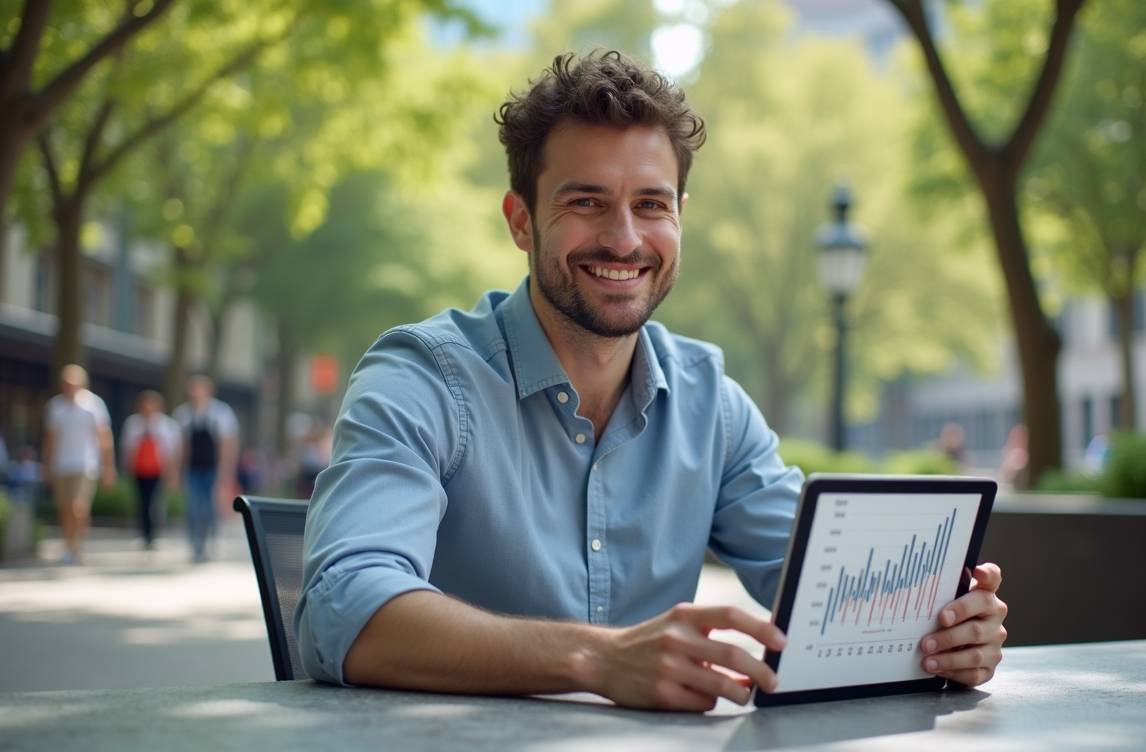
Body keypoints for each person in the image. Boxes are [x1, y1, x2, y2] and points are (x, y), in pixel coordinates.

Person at [296, 51, 1007, 711]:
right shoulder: (421, 377)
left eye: (651, 205)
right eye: (585, 202)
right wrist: (593, 659)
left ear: (680, 219)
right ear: (521, 221)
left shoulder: (711, 405)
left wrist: (942, 631)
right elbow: (343, 607)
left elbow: (829, 586)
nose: (625, 239)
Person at [42, 364, 116, 564]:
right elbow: (50, 439)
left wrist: (109, 466)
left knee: (78, 507)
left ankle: (78, 545)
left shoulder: (94, 404)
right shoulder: (55, 406)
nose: (70, 387)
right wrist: (46, 464)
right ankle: (68, 544)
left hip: (85, 464)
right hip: (61, 465)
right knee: (64, 507)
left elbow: (104, 436)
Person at [173, 375, 239, 562]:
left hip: (212, 468)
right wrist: (177, 472)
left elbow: (227, 444)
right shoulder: (184, 414)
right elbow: (181, 447)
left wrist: (225, 471)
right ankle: (195, 544)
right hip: (193, 468)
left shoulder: (221, 413)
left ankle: (213, 540)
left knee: (211, 507)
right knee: (193, 507)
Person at [120, 390, 181, 549]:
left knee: (155, 503)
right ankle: (143, 534)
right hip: (139, 471)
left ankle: (154, 534)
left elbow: (173, 450)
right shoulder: (133, 423)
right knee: (141, 503)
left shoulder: (167, 425)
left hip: (158, 471)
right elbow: (127, 448)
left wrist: (172, 472)